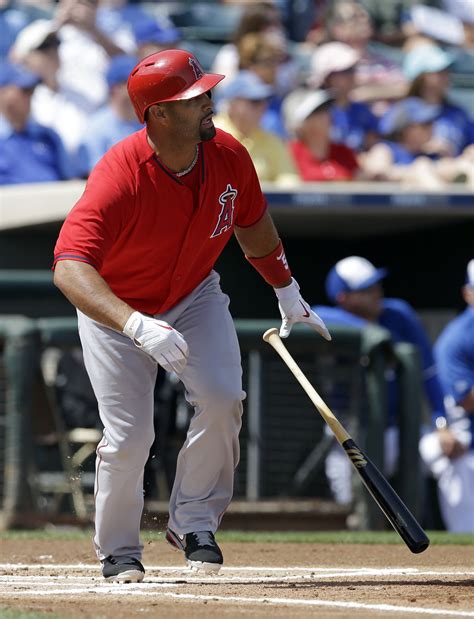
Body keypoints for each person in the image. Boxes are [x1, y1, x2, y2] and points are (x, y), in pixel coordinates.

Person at [52, 49, 331, 583]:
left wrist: (286, 288)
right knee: (130, 437)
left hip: (195, 293)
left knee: (225, 397)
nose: (209, 102)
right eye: (193, 97)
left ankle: (195, 524)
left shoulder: (227, 152)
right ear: (158, 113)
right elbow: (69, 267)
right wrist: (133, 323)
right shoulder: (120, 172)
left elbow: (252, 221)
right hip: (119, 307)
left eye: (205, 92)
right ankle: (118, 550)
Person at [312, 256, 448, 505]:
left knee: (452, 455)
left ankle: (460, 534)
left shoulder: (398, 314)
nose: (376, 293)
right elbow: (314, 314)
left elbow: (429, 372)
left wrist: (442, 422)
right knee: (349, 505)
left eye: (376, 285)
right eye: (365, 290)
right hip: (349, 435)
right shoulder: (329, 321)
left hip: (401, 432)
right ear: (344, 297)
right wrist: (372, 332)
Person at [420, 260, 474, 533]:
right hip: (465, 436)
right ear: (468, 293)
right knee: (455, 457)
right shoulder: (458, 338)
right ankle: (466, 538)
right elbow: (467, 400)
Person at [9, 19, 89, 155]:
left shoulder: (80, 90)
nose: (53, 51)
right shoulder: (20, 99)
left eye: (56, 44)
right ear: (25, 57)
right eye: (44, 47)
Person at [213, 70, 299, 185]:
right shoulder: (209, 133)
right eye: (255, 101)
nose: (263, 107)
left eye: (265, 101)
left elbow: (289, 181)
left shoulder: (272, 140)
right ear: (233, 104)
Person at [0, 61, 75, 184]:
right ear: (2, 93)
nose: (30, 96)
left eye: (32, 90)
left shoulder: (49, 136)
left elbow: (69, 180)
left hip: (54, 201)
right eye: (24, 90)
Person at [403, 43, 474, 157]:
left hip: (454, 168)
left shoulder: (457, 113)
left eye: (447, 71)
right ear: (421, 77)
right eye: (439, 72)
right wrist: (424, 147)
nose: (446, 76)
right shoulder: (403, 111)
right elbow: (389, 147)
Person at [77, 54, 141, 175]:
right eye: (133, 81)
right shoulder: (96, 127)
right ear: (114, 88)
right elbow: (96, 175)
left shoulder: (152, 120)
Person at [309, 41, 379, 152]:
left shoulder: (362, 110)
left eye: (352, 69)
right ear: (326, 79)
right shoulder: (316, 114)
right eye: (344, 71)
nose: (351, 75)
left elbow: (372, 145)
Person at [283, 88, 360, 182]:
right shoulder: (289, 154)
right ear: (300, 123)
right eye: (317, 112)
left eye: (327, 109)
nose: (326, 116)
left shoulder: (344, 152)